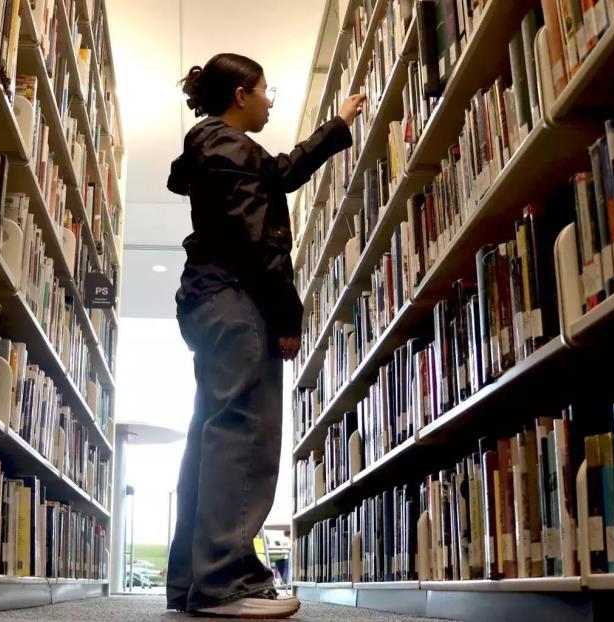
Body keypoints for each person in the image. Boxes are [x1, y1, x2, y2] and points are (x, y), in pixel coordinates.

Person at [165, 52, 365, 619]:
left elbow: (280, 173)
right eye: (265, 90)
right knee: (243, 434)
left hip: (212, 301)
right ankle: (226, 583)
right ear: (240, 96)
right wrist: (287, 316)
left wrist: (338, 125)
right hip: (235, 300)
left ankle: (193, 582)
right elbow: (258, 241)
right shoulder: (227, 149)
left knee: (212, 439)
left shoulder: (223, 151)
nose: (270, 99)